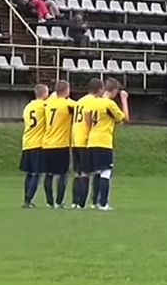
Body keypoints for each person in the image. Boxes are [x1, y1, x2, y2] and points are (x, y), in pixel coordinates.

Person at [86, 80, 129, 211]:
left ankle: (94, 201)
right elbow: (125, 118)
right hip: (104, 141)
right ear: (115, 91)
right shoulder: (109, 104)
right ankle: (103, 203)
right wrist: (124, 100)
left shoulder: (93, 101)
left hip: (92, 139)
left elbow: (87, 116)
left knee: (97, 172)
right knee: (106, 171)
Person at [40, 80, 76, 208]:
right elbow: (80, 107)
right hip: (61, 144)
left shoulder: (48, 103)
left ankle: (49, 202)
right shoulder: (67, 104)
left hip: (47, 144)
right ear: (66, 90)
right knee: (62, 174)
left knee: (48, 174)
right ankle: (59, 202)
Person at [71, 78, 104, 208]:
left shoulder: (79, 101)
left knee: (77, 173)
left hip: (75, 140)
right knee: (87, 173)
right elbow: (88, 117)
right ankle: (83, 203)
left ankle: (74, 202)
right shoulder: (94, 102)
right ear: (100, 90)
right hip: (86, 140)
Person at [20, 84, 50, 208]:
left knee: (29, 173)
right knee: (37, 174)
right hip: (38, 143)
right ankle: (28, 199)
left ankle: (26, 198)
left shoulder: (28, 107)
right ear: (44, 94)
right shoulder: (44, 106)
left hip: (27, 142)